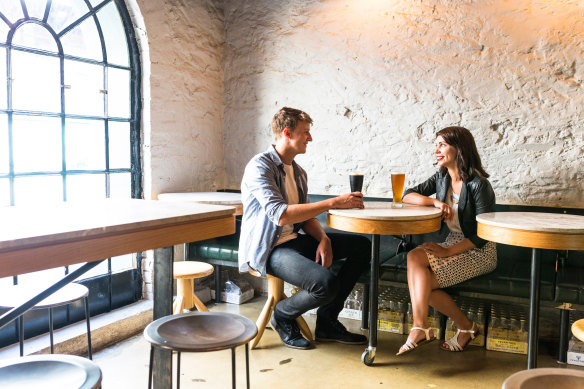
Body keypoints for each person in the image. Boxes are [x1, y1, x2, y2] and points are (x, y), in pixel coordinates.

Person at [239, 107, 371, 350]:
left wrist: (323, 238)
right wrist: (333, 202)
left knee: (362, 246)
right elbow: (280, 215)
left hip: (293, 240)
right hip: (269, 249)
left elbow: (306, 213)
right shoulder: (260, 166)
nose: (310, 138)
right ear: (287, 133)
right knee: (325, 283)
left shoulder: (298, 172)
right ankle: (282, 315)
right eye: (306, 132)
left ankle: (327, 321)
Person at [396, 126, 497, 355]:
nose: (436, 150)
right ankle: (425, 326)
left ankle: (457, 327)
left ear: (459, 149)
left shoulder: (479, 185)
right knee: (415, 260)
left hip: (479, 250)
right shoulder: (442, 177)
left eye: (442, 144)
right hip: (452, 241)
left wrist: (447, 252)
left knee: (421, 286)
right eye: (437, 144)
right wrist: (434, 203)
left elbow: (483, 234)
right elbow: (407, 195)